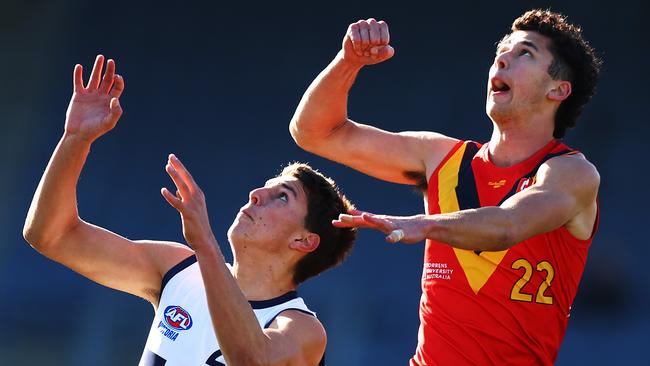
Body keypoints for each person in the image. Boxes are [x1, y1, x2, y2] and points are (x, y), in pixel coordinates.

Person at [290, 9, 601, 365]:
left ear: (558, 89)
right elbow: (314, 132)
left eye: (524, 53)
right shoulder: (441, 158)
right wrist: (348, 62)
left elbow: (507, 226)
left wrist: (424, 225)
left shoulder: (571, 173)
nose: (502, 58)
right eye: (502, 50)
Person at [23, 55, 356, 366]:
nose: (257, 194)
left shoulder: (300, 329)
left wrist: (206, 244)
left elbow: (251, 359)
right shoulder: (178, 270)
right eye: (266, 186)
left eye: (282, 196)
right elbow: (50, 235)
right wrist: (75, 138)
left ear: (303, 241)